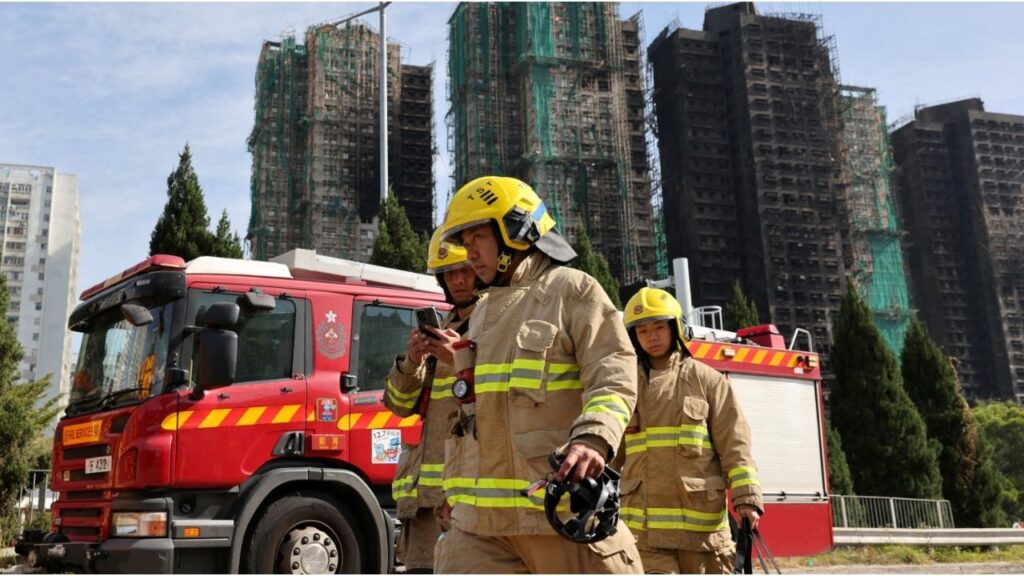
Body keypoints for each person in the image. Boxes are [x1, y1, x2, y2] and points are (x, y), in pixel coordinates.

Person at [433, 175, 642, 574]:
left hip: (558, 515)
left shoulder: (572, 290)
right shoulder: (480, 315)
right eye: (464, 241)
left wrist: (593, 438)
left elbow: (613, 372)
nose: (468, 253)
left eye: (477, 236)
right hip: (481, 526)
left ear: (515, 230)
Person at [619, 287, 763, 574]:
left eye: (659, 327)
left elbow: (734, 445)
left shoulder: (707, 381)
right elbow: (610, 451)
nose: (652, 336)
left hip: (702, 534)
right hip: (644, 534)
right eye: (643, 330)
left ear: (677, 327)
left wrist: (747, 498)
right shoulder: (623, 385)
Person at [384, 229, 484, 573]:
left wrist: (458, 356)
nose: (457, 280)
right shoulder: (444, 327)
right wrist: (412, 360)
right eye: (449, 274)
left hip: (468, 494)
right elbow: (399, 404)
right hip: (427, 500)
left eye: (464, 271)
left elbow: (500, 400)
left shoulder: (493, 325)